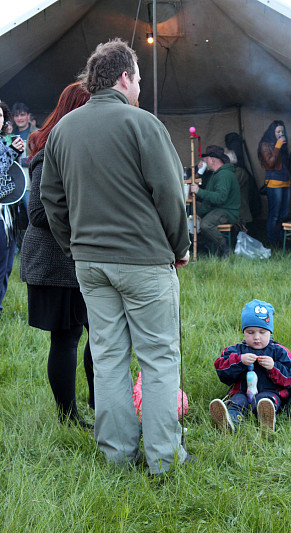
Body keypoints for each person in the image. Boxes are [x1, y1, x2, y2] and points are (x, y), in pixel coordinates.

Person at [40, 38, 191, 476]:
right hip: (143, 261)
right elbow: (169, 194)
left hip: (89, 264)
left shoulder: (63, 130)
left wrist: (74, 246)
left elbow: (51, 199)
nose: (139, 86)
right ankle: (165, 459)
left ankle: (117, 456)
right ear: (124, 77)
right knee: (159, 357)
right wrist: (179, 247)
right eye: (139, 78)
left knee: (107, 358)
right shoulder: (143, 124)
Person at [20, 83, 94, 426]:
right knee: (66, 339)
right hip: (54, 263)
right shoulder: (49, 149)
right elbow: (37, 212)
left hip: (79, 260)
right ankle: (68, 418)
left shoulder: (82, 145)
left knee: (101, 333)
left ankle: (100, 404)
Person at [209, 299, 291, 434]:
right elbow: (221, 369)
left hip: (270, 392)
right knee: (237, 402)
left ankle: (266, 420)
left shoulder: (279, 351)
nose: (256, 337)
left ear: (270, 332)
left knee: (264, 401)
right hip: (242, 392)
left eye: (262, 332)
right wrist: (239, 360)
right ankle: (230, 420)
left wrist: (273, 367)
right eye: (250, 332)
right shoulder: (236, 350)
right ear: (244, 332)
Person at [190, 145, 240, 257]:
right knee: (194, 217)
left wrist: (199, 192)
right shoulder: (215, 174)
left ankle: (224, 248)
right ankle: (207, 246)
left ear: (212, 160)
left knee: (205, 225)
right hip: (218, 209)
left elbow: (220, 197)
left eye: (205, 159)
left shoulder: (224, 175)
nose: (204, 161)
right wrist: (201, 171)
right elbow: (202, 182)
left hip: (226, 211)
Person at [0, 101, 25, 314]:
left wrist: (15, 152)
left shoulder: (3, 142)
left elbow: (8, 173)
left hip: (7, 214)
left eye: (0, 115)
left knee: (7, 266)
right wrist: (10, 151)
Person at [257, 120, 290, 243]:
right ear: (273, 132)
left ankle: (281, 240)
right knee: (274, 214)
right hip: (274, 183)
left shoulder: (282, 145)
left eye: (282, 131)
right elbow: (270, 163)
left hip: (285, 182)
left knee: (283, 214)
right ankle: (272, 241)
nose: (281, 134)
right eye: (278, 131)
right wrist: (277, 146)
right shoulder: (265, 145)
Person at [12, 103, 37, 216]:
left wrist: (24, 162)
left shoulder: (37, 134)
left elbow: (43, 157)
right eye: (16, 116)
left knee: (32, 216)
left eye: (22, 115)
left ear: (28, 115)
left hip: (30, 185)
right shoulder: (10, 135)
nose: (19, 118)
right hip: (13, 186)